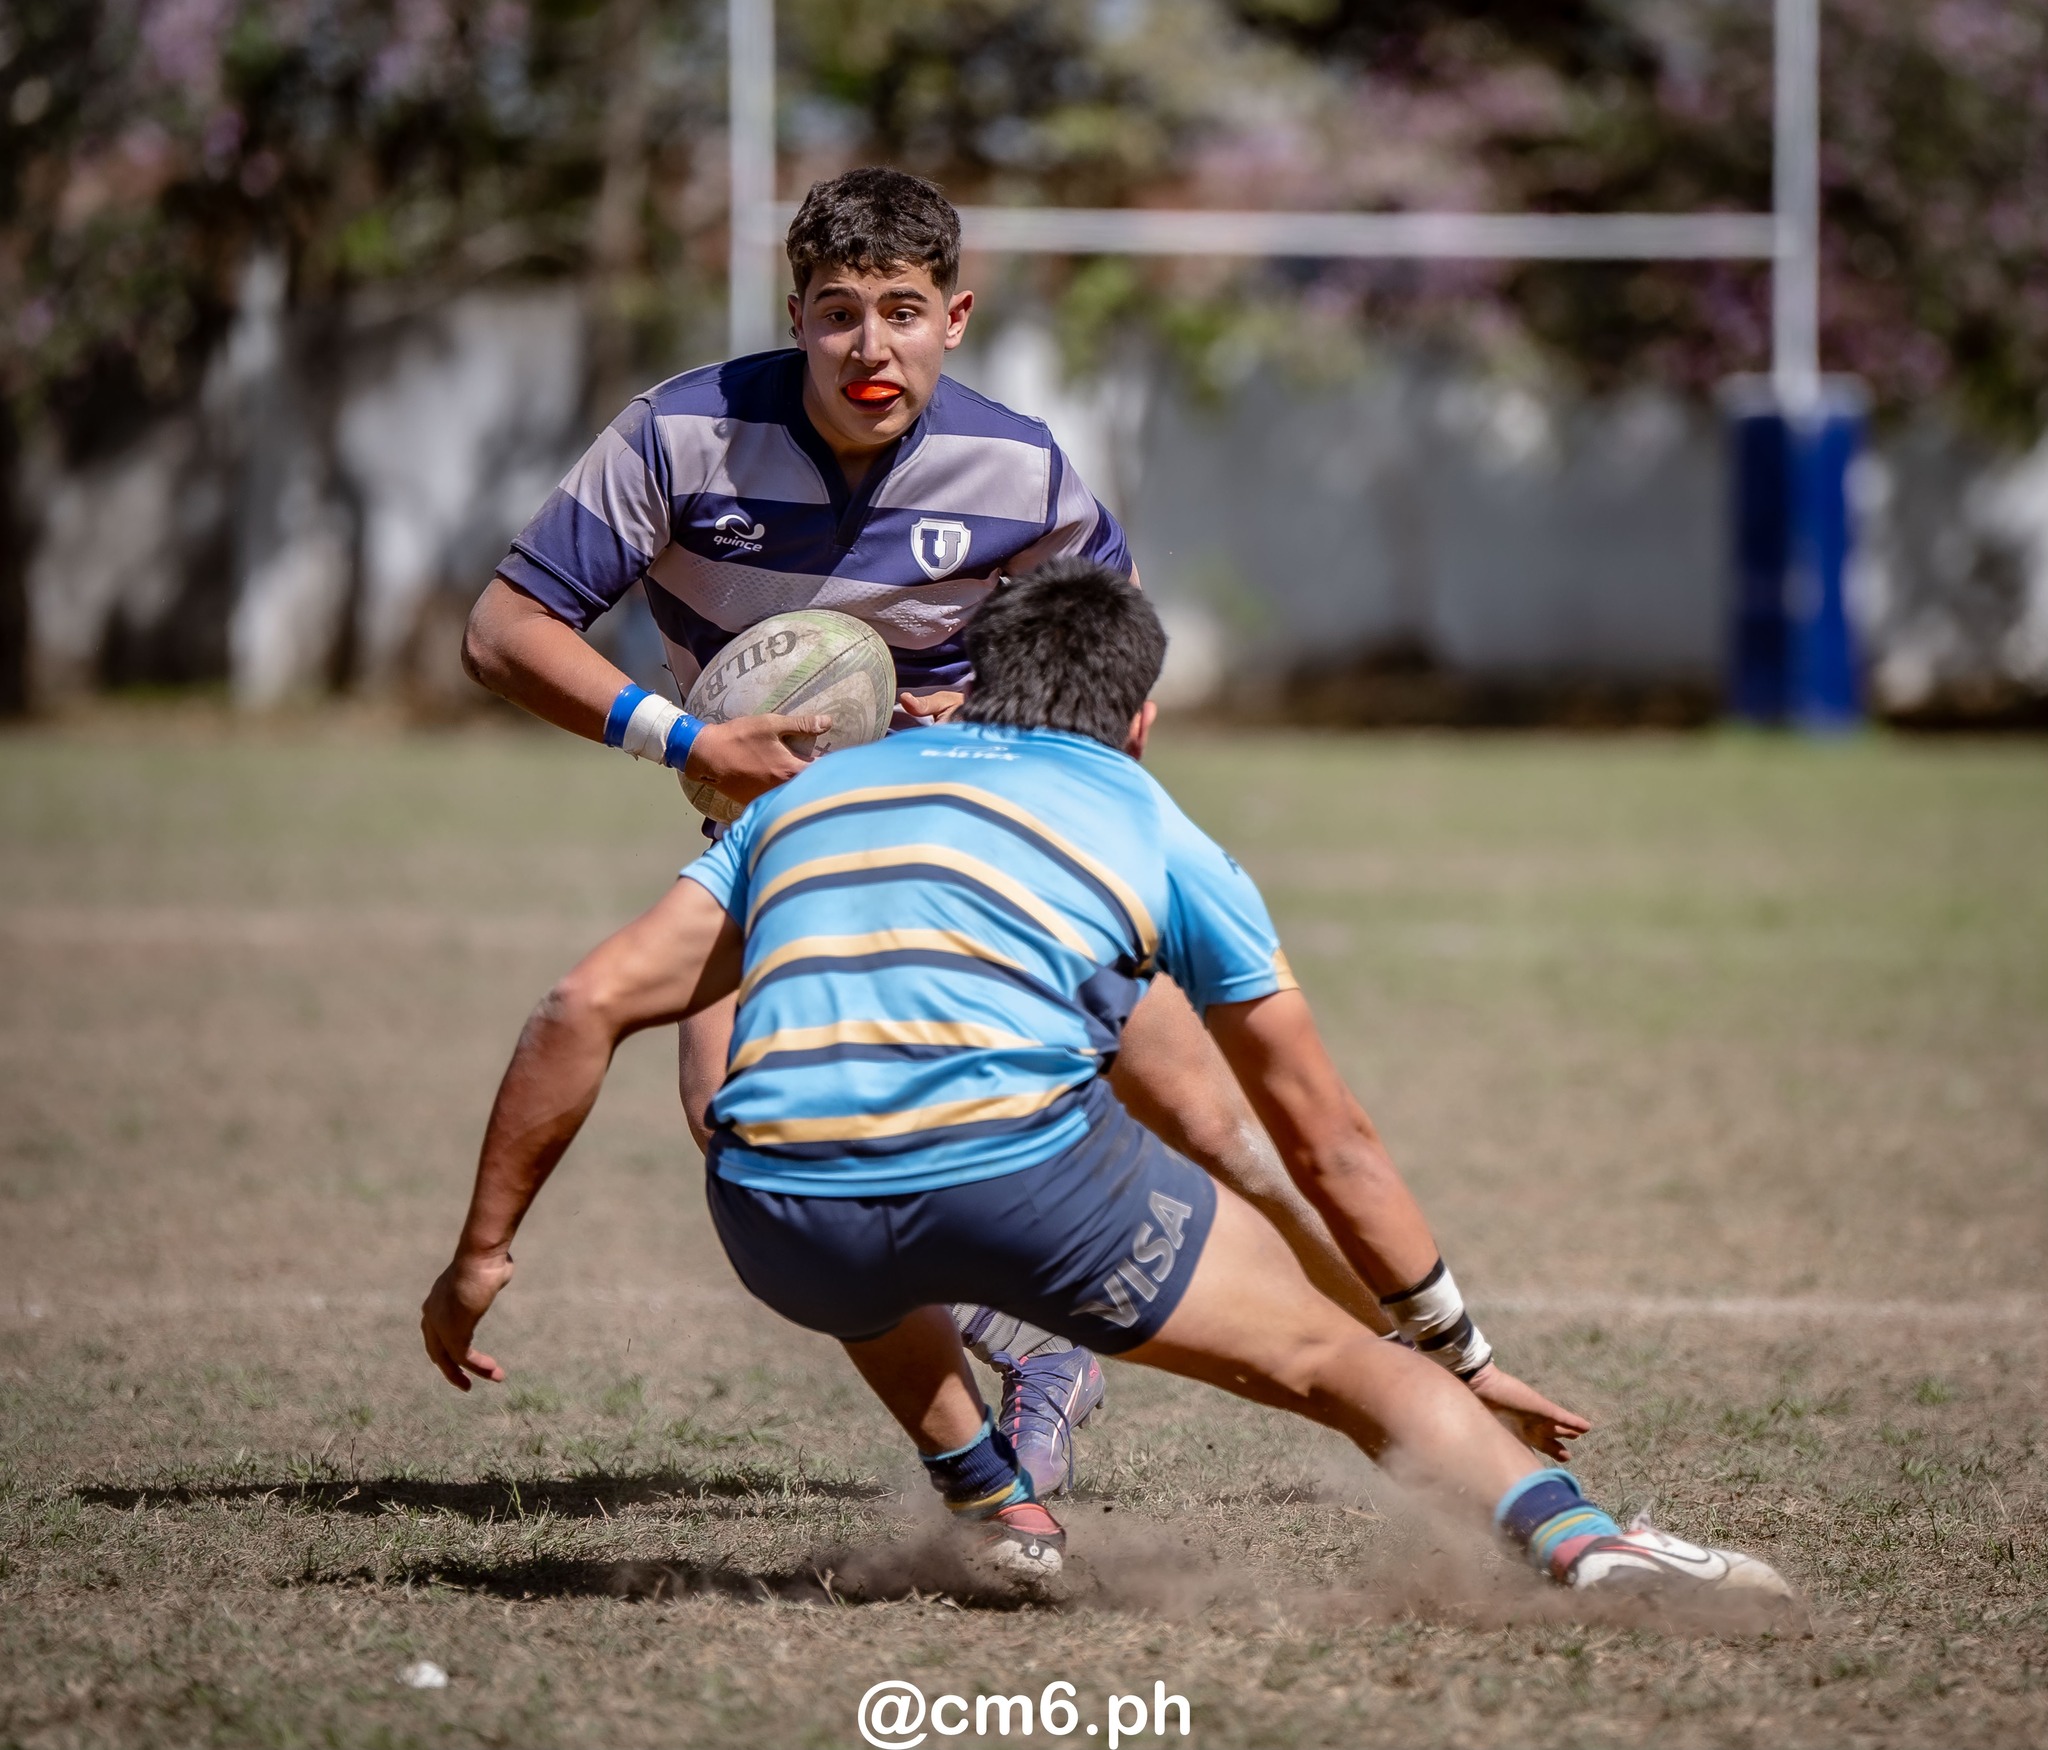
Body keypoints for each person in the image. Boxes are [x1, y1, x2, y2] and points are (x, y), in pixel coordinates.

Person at [459, 164, 1585, 1492]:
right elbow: (503, 630)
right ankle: (1006, 1409)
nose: (869, 347)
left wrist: (996, 732)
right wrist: (693, 740)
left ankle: (1440, 1372)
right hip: (782, 843)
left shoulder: (1018, 468)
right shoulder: (678, 435)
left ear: (957, 314)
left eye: (901, 309)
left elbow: (1114, 655)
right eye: (834, 313)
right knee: (737, 1109)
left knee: (1216, 1127)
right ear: (793, 316)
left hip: (990, 849)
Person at [422, 562, 1792, 1604]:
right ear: (1138, 718)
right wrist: (1449, 1347)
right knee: (1338, 1362)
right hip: (1027, 1186)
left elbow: (581, 1004)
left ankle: (992, 1499)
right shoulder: (1153, 820)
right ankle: (1590, 1546)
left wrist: (482, 1250)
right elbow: (1328, 1140)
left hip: (775, 1217)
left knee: (836, 1165)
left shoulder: (802, 797)